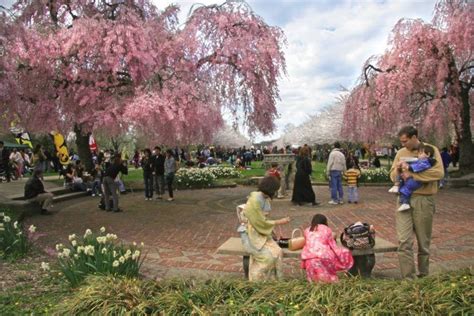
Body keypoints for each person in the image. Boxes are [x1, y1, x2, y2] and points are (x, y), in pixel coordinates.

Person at [390, 126, 443, 279]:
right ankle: (408, 278)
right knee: (404, 241)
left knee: (423, 242)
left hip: (424, 200)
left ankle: (424, 276)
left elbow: (438, 172)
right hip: (403, 199)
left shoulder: (430, 149)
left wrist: (412, 173)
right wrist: (399, 171)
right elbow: (393, 175)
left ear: (415, 137)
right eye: (401, 142)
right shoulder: (400, 153)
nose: (403, 145)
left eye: (405, 141)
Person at [239, 176, 291, 281]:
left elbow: (263, 220)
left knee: (278, 251)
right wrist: (279, 221)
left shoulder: (264, 197)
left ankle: (272, 280)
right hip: (250, 233)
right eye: (275, 190)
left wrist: (273, 234)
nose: (276, 192)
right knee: (267, 258)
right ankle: (256, 280)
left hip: (261, 231)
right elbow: (259, 222)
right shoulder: (255, 199)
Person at [300, 214, 353, 283]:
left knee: (314, 281)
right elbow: (333, 246)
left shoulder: (308, 230)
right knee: (328, 279)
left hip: (309, 258)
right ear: (325, 222)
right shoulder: (327, 229)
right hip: (324, 257)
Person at [390, 144, 437, 211]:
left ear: (428, 154)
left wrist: (407, 166)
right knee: (402, 180)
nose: (418, 155)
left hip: (416, 182)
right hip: (414, 181)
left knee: (405, 189)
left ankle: (405, 203)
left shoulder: (425, 162)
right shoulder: (422, 161)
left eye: (420, 153)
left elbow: (416, 168)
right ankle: (397, 187)